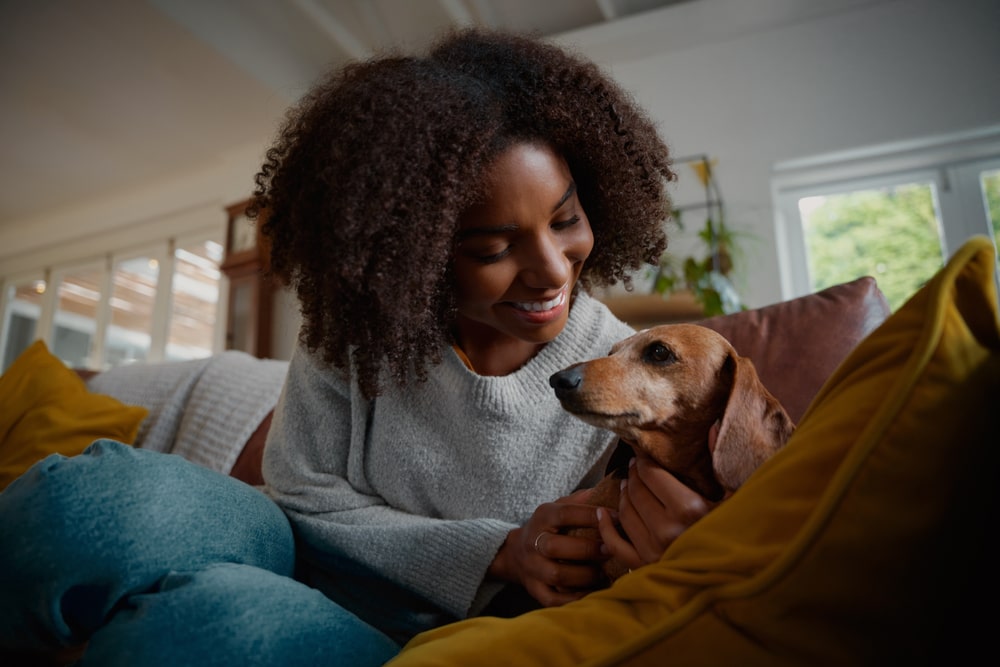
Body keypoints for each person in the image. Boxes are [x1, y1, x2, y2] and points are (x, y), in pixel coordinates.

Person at [0, 28, 711, 666]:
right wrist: (497, 547)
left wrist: (674, 543)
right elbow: (302, 495)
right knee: (73, 504)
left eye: (566, 219)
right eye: (493, 247)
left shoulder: (634, 375)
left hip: (423, 638)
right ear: (415, 254)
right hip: (290, 545)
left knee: (203, 628)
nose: (553, 268)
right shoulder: (364, 324)